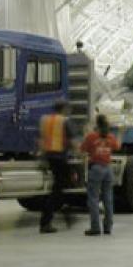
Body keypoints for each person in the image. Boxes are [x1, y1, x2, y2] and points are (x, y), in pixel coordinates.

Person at [80, 114, 121, 236]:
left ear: (96, 124)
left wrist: (85, 133)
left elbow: (82, 149)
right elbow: (117, 146)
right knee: (108, 199)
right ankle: (108, 227)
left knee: (93, 199)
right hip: (108, 169)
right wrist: (120, 134)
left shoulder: (91, 136)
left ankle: (95, 227)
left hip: (96, 168)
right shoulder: (110, 137)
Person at [39, 99, 75, 234]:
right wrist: (81, 153)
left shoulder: (45, 120)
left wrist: (42, 157)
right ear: (64, 108)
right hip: (60, 158)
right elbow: (71, 141)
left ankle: (61, 211)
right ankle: (47, 221)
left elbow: (41, 139)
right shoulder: (64, 121)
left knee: (58, 187)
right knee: (59, 189)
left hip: (50, 157)